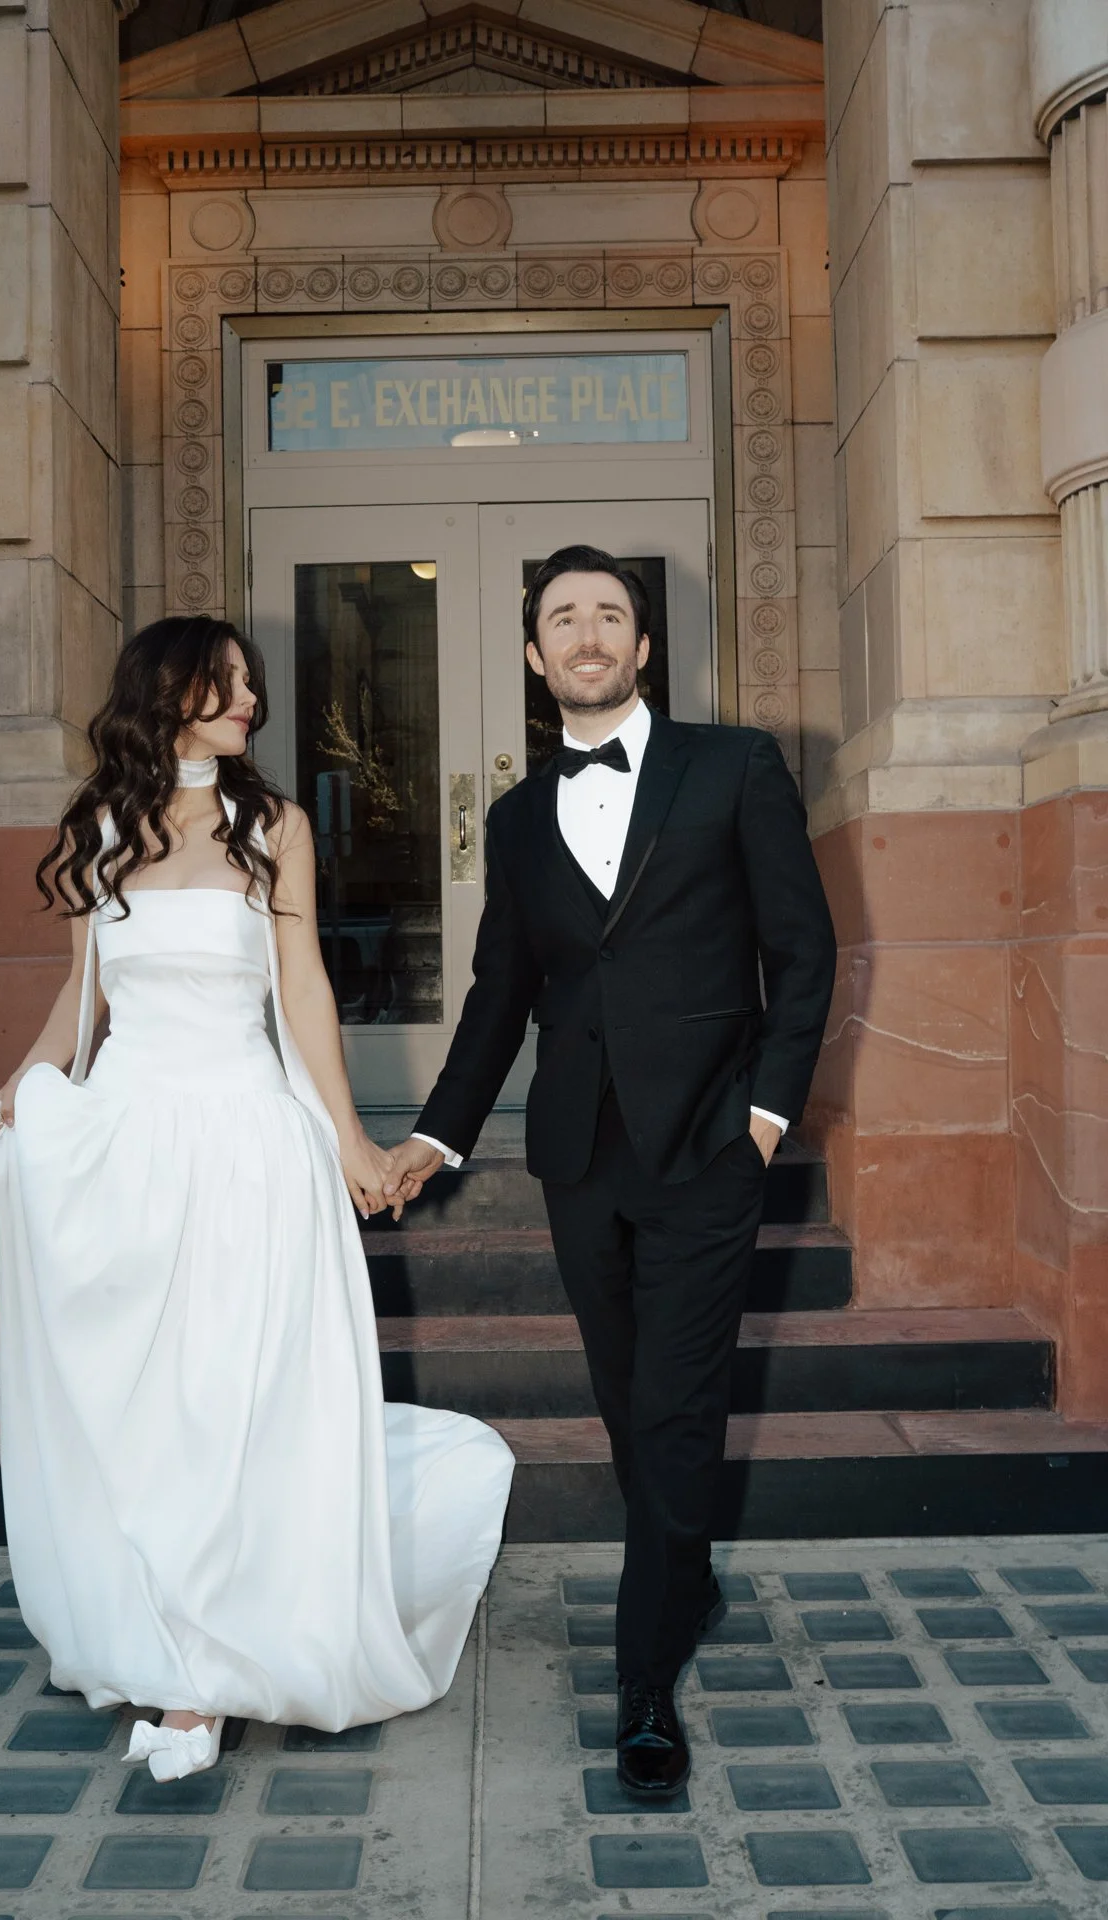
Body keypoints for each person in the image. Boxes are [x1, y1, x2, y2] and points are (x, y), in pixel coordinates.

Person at [0, 615, 513, 1783]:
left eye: (249, 687)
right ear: (165, 695)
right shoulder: (99, 829)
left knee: (232, 1396)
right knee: (149, 1409)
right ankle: (162, 1627)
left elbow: (303, 991)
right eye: (226, 687)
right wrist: (7, 1104)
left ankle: (208, 1674)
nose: (250, 706)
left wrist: (351, 1140)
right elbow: (83, 1000)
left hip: (244, 1147)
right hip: (127, 1145)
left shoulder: (271, 827)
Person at [384, 546, 836, 1798]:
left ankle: (643, 1682)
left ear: (642, 647)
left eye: (608, 616)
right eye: (561, 619)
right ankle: (681, 1573)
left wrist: (762, 1115)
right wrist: (435, 1134)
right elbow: (498, 997)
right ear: (534, 656)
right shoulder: (520, 816)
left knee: (677, 1404)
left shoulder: (733, 766)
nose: (586, 634)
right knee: (626, 1389)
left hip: (706, 1143)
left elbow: (802, 953)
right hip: (579, 1153)